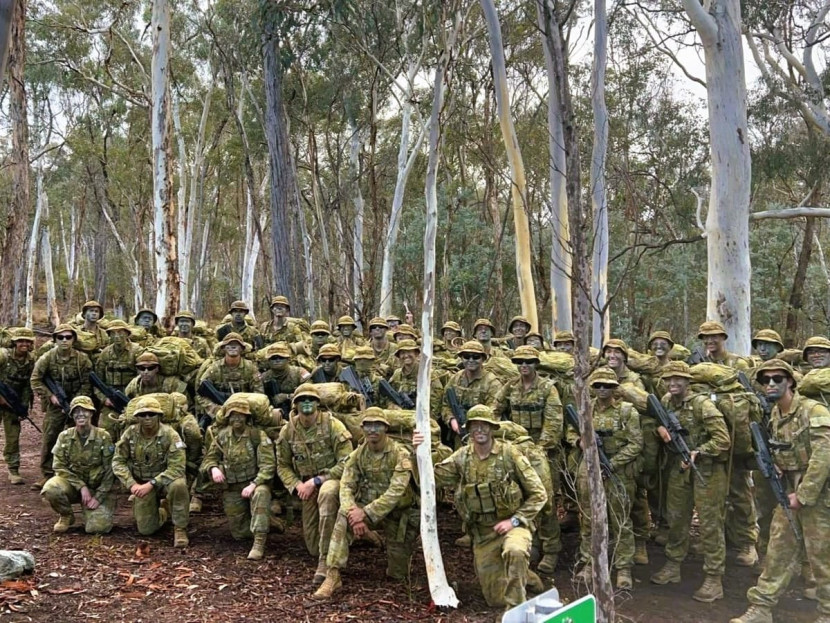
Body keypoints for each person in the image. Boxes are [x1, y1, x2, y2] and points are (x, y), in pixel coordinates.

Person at [414, 405, 547, 616]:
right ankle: (526, 577)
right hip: (483, 534)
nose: (479, 430)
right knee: (494, 598)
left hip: (513, 526)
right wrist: (420, 452)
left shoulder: (509, 454)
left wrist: (515, 520)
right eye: (475, 426)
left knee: (516, 550)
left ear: (492, 428)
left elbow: (539, 493)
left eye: (484, 425)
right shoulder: (463, 457)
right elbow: (431, 478)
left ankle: (516, 611)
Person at [730, 359, 830, 623]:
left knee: (823, 558)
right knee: (777, 552)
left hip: (820, 495)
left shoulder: (813, 410)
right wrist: (778, 464)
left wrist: (804, 494)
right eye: (765, 380)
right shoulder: (775, 414)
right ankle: (761, 607)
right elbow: (784, 447)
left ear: (791, 382)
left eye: (777, 379)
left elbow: (824, 455)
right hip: (790, 492)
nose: (771, 384)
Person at [313, 408, 419, 600]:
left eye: (377, 425)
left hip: (397, 513)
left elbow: (396, 492)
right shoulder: (358, 454)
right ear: (362, 428)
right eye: (368, 425)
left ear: (386, 428)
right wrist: (353, 512)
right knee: (343, 519)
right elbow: (346, 484)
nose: (372, 430)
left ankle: (373, 536)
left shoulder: (399, 454)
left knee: (398, 575)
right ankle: (333, 574)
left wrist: (365, 513)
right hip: (364, 508)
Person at [650, 361, 731, 603]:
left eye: (678, 379)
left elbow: (723, 440)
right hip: (679, 468)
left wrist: (699, 451)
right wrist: (660, 430)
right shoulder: (665, 401)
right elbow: (660, 422)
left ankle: (714, 578)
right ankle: (673, 564)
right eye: (669, 379)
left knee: (710, 523)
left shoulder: (702, 405)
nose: (673, 383)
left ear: (688, 382)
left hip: (707, 470)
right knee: (676, 517)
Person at [493, 345, 563, 575]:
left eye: (529, 361)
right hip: (515, 450)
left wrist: (540, 449)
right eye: (520, 361)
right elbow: (495, 410)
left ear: (536, 364)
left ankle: (551, 549)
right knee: (519, 498)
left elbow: (553, 423)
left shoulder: (547, 389)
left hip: (542, 452)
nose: (524, 366)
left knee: (546, 500)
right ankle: (530, 541)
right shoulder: (510, 386)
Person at [569, 368, 641, 590]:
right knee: (589, 518)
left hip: (617, 471)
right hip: (588, 469)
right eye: (598, 385)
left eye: (607, 386)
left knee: (620, 519)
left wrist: (613, 464)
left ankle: (623, 567)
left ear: (614, 388)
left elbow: (636, 444)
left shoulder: (627, 411)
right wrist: (579, 442)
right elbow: (570, 432)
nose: (602, 389)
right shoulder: (585, 409)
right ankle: (590, 562)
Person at [276, 384, 353, 584]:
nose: (307, 403)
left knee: (327, 494)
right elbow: (282, 465)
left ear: (318, 404)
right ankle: (358, 533)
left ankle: (324, 562)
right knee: (311, 545)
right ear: (295, 405)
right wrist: (296, 485)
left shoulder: (332, 425)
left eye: (311, 399)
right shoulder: (289, 430)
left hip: (333, 481)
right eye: (302, 400)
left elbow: (348, 462)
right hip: (306, 486)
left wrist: (318, 480)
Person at [201, 394, 275, 560]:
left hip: (254, 484)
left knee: (261, 494)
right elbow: (209, 458)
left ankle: (259, 542)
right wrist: (214, 469)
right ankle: (268, 521)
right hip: (232, 487)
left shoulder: (257, 435)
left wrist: (254, 484)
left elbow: (268, 466)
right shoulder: (221, 436)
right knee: (239, 534)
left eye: (240, 415)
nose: (237, 419)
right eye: (233, 415)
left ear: (247, 417)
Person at [112, 396, 190, 548]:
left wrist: (153, 484)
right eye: (142, 415)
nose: (147, 418)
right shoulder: (129, 434)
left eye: (151, 414)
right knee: (146, 530)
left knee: (179, 485)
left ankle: (180, 528)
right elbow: (118, 461)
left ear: (159, 416)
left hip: (166, 481)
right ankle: (164, 511)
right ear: (137, 418)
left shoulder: (170, 435)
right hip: (141, 483)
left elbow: (177, 467)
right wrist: (132, 484)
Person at [30, 324, 93, 488]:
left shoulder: (82, 359)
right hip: (56, 405)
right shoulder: (47, 358)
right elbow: (35, 380)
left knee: (79, 439)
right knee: (50, 437)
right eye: (60, 337)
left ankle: (76, 474)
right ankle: (48, 474)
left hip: (77, 405)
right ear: (55, 340)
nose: (64, 340)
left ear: (73, 339)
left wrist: (78, 401)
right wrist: (50, 396)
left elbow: (88, 383)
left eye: (68, 337)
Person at [41, 396, 115, 534]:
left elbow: (110, 469)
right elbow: (58, 466)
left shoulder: (103, 436)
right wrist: (81, 486)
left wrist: (99, 496)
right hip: (74, 487)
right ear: (72, 415)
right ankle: (67, 515)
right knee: (51, 488)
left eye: (85, 410)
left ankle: (94, 512)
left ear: (92, 413)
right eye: (76, 411)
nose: (80, 414)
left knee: (97, 529)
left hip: (97, 488)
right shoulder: (65, 436)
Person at [441, 341, 503, 445]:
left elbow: (494, 412)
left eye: (475, 357)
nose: (471, 360)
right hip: (459, 434)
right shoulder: (455, 378)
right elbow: (445, 405)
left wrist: (476, 427)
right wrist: (451, 420)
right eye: (466, 356)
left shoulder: (492, 382)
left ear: (483, 359)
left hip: (483, 434)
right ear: (461, 358)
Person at [196, 333, 264, 422]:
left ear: (242, 349)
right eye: (229, 345)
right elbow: (201, 394)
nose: (233, 347)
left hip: (245, 412)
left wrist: (244, 409)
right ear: (223, 348)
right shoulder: (214, 368)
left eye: (236, 345)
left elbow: (259, 394)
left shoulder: (250, 368)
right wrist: (215, 409)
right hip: (219, 411)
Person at [94, 320, 142, 439]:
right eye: (113, 333)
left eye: (120, 332)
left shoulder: (137, 351)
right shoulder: (105, 354)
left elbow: (143, 378)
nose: (117, 336)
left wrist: (136, 401)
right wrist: (104, 399)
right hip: (110, 401)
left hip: (131, 400)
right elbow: (97, 383)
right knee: (105, 433)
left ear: (127, 334)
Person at [0, 328, 36, 485]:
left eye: (27, 341)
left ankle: (13, 469)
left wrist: (23, 406)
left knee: (13, 437)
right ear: (14, 342)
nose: (24, 344)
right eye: (21, 341)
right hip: (2, 397)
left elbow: (28, 385)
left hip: (12, 403)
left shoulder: (31, 360)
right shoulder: (3, 356)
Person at [259, 342, 309, 413]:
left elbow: (310, 393)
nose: (277, 360)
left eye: (281, 357)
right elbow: (259, 397)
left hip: (298, 410)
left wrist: (287, 396)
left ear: (288, 359)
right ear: (268, 361)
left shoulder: (299, 372)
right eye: (273, 358)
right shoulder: (264, 377)